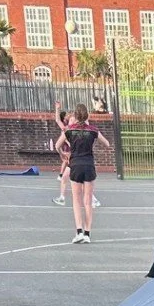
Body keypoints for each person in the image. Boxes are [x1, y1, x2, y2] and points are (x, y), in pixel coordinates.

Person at [57, 103, 109, 244]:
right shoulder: (93, 131)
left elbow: (57, 145)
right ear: (87, 115)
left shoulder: (69, 130)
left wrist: (63, 154)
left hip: (76, 164)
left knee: (76, 200)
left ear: (75, 115)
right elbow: (107, 144)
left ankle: (78, 231)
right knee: (88, 200)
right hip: (88, 164)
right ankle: (87, 233)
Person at [53, 105, 71, 205]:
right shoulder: (65, 126)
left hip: (74, 153)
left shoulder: (71, 127)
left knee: (67, 161)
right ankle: (62, 197)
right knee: (66, 161)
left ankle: (92, 198)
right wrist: (57, 109)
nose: (69, 116)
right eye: (68, 115)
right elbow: (57, 119)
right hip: (68, 148)